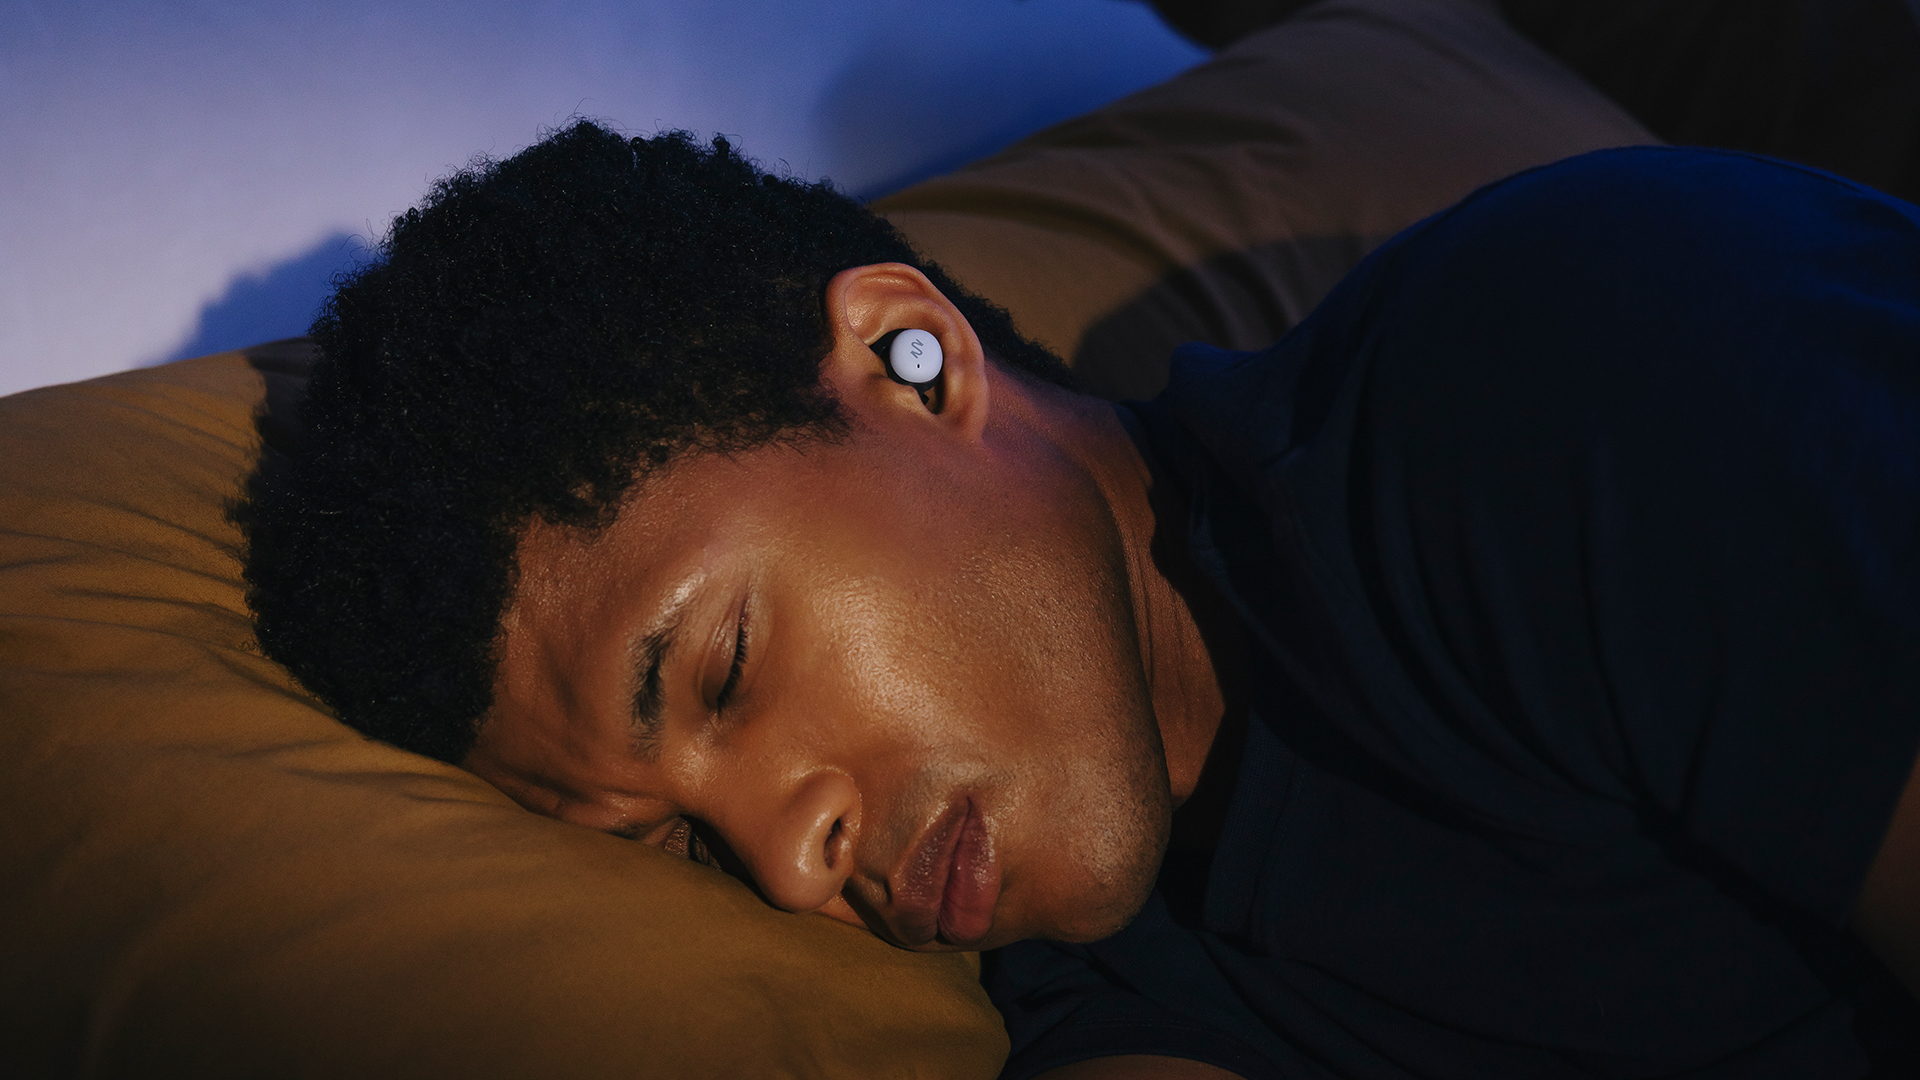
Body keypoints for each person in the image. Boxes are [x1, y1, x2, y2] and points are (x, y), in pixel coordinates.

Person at [236, 16, 1920, 1080]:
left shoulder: (1573, 369)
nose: (783, 859)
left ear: (917, 358)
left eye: (728, 672)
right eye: (677, 845)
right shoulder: (1087, 980)